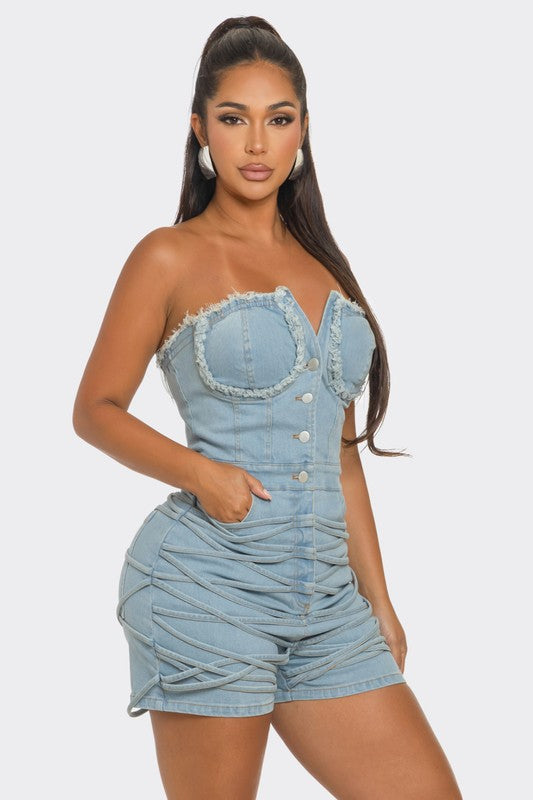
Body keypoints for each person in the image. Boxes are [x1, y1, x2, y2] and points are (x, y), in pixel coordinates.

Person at [72, 15, 462, 800]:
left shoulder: (324, 267)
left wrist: (379, 600)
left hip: (327, 606)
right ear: (199, 130)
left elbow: (341, 460)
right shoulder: (168, 254)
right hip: (206, 588)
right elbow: (96, 409)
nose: (256, 143)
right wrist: (200, 474)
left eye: (277, 119)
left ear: (302, 131)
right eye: (233, 119)